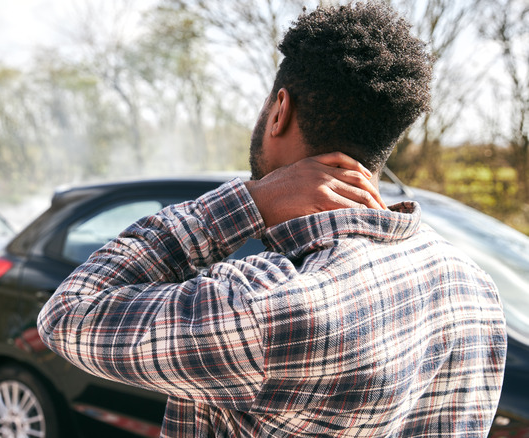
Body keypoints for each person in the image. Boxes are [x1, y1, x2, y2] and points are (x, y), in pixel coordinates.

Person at [38, 2, 507, 437]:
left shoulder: (264, 306)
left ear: (280, 110)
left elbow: (69, 313)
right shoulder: (474, 288)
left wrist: (251, 201)